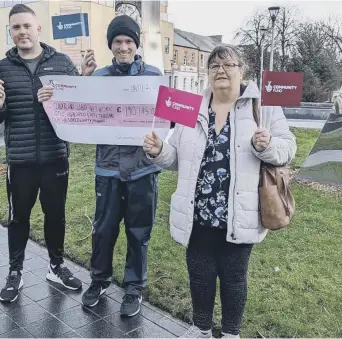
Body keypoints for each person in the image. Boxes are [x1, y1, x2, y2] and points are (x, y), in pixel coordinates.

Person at [143, 45, 297, 337]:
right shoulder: (191, 106)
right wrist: (159, 150)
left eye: (228, 65)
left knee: (234, 278)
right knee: (199, 275)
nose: (221, 71)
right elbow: (176, 157)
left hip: (239, 211)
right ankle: (200, 328)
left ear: (242, 71)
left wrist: (266, 146)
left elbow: (288, 148)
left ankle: (230, 333)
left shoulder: (262, 108)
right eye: (214, 66)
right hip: (197, 210)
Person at [0, 3, 96, 303]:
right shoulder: (0, 69)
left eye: (26, 26)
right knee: (18, 218)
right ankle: (15, 272)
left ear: (38, 29)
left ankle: (56, 267)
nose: (22, 32)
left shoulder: (61, 62)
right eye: (16, 27)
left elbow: (80, 106)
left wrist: (83, 78)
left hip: (55, 156)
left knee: (55, 216)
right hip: (20, 161)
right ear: (11, 32)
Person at [82, 15, 162, 317]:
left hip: (142, 168)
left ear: (136, 44)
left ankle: (133, 288)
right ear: (111, 45)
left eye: (129, 41)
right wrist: (84, 78)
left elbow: (172, 114)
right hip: (108, 168)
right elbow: (79, 109)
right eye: (118, 41)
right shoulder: (99, 77)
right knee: (103, 230)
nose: (124, 46)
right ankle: (100, 280)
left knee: (139, 230)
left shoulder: (153, 76)